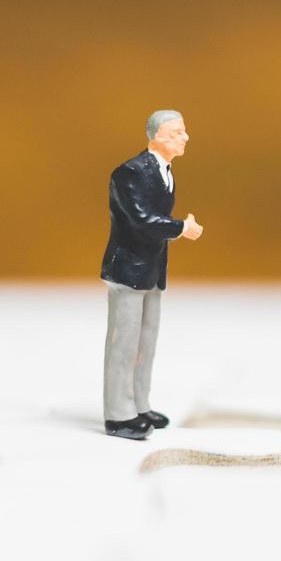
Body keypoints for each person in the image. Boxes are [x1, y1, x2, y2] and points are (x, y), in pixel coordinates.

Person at [100, 110, 203, 440]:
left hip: (151, 270)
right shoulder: (129, 173)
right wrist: (181, 228)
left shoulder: (165, 172)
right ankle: (118, 414)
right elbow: (142, 219)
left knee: (146, 342)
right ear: (157, 136)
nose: (185, 137)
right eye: (177, 132)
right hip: (128, 270)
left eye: (184, 131)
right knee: (124, 344)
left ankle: (139, 405)